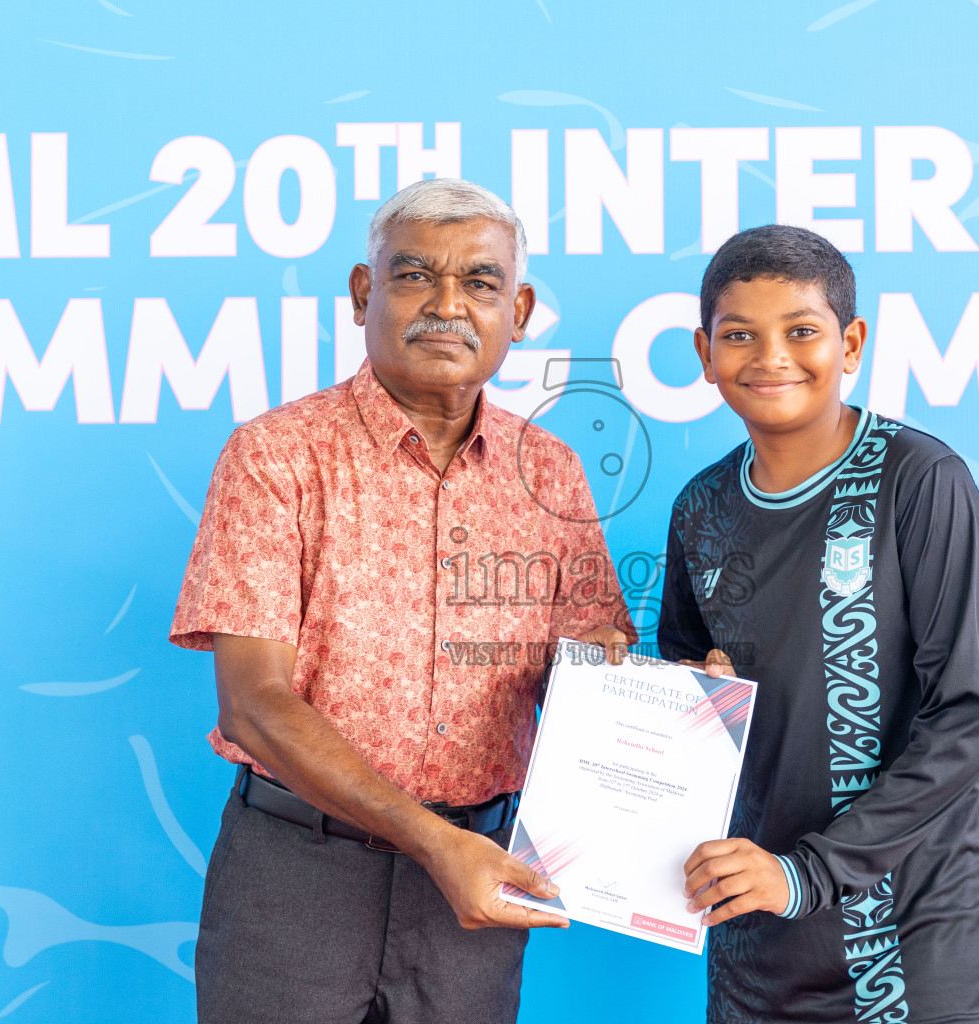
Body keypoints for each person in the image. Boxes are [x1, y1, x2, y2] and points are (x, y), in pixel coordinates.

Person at [169, 177, 636, 1024]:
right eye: (416, 276)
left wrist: (675, 706)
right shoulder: (276, 456)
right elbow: (255, 706)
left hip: (476, 887)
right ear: (362, 293)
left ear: (520, 310)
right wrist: (434, 842)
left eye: (481, 283)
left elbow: (588, 677)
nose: (448, 305)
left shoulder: (554, 473)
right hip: (295, 876)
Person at [659, 225, 979, 1024]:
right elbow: (687, 701)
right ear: (703, 352)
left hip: (917, 945)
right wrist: (679, 704)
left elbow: (966, 719)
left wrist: (809, 874)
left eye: (801, 331)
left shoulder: (920, 481)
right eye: (740, 335)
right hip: (759, 942)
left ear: (850, 342)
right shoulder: (700, 511)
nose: (770, 357)